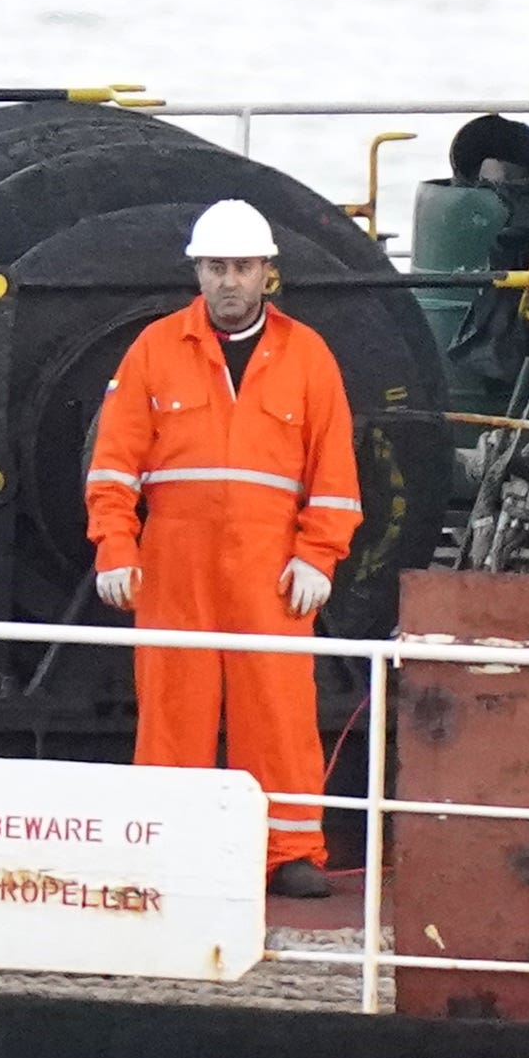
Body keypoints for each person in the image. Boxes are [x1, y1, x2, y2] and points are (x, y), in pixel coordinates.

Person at [85, 196, 362, 895]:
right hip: (175, 562)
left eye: (242, 267)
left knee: (278, 709)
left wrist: (317, 555)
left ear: (267, 272)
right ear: (197, 273)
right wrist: (116, 546)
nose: (229, 281)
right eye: (216, 267)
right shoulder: (155, 349)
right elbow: (114, 463)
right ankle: (168, 848)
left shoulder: (308, 356)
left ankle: (289, 852)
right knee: (174, 710)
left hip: (272, 568)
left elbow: (333, 470)